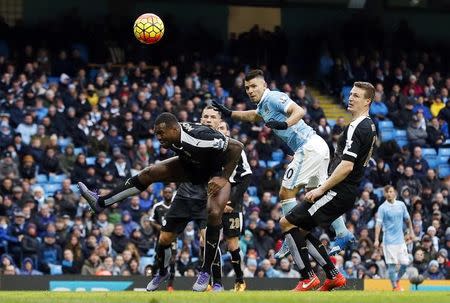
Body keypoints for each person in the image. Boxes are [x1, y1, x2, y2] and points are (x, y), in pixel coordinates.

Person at [78, 112, 244, 290]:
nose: (158, 138)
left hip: (217, 172)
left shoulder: (201, 138)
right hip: (192, 169)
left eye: (161, 133)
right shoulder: (175, 133)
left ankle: (205, 272)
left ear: (174, 129)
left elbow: (237, 146)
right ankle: (100, 202)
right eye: (156, 134)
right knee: (150, 172)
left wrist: (224, 177)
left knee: (213, 212)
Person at [213, 69, 352, 259]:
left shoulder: (273, 98)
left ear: (264, 85)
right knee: (317, 196)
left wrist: (285, 124)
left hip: (308, 146)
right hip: (317, 146)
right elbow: (253, 115)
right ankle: (343, 233)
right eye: (247, 88)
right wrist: (230, 113)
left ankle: (291, 238)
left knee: (285, 193)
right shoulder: (263, 106)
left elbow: (299, 111)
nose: (250, 91)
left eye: (254, 86)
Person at [278, 82, 377, 291]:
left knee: (286, 223)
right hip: (344, 191)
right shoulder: (369, 125)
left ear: (368, 101)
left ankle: (308, 278)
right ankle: (333, 276)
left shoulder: (358, 126)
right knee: (301, 230)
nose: (351, 98)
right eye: (350, 94)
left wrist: (321, 189)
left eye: (357, 96)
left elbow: (347, 166)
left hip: (337, 191)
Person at [147, 106, 251, 292]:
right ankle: (208, 281)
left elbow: (243, 175)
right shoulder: (190, 136)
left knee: (222, 240)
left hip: (217, 197)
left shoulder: (225, 145)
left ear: (220, 122)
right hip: (188, 195)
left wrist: (232, 201)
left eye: (213, 117)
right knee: (173, 238)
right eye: (205, 116)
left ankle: (228, 281)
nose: (208, 120)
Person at [374, 185, 413, 291]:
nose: (389, 194)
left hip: (400, 241)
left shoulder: (401, 205)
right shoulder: (382, 208)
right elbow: (378, 225)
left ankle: (396, 280)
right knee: (392, 265)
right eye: (387, 192)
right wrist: (377, 239)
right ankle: (395, 286)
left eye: (391, 191)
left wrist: (412, 232)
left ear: (394, 192)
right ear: (384, 194)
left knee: (405, 264)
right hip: (389, 241)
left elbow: (408, 219)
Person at [148, 186, 177, 291]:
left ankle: (170, 286)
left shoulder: (176, 206)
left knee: (173, 260)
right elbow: (151, 220)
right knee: (158, 260)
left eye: (170, 192)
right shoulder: (157, 206)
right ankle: (154, 281)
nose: (168, 194)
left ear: (172, 193)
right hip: (160, 238)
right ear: (162, 194)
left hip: (173, 237)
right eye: (166, 192)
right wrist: (160, 227)